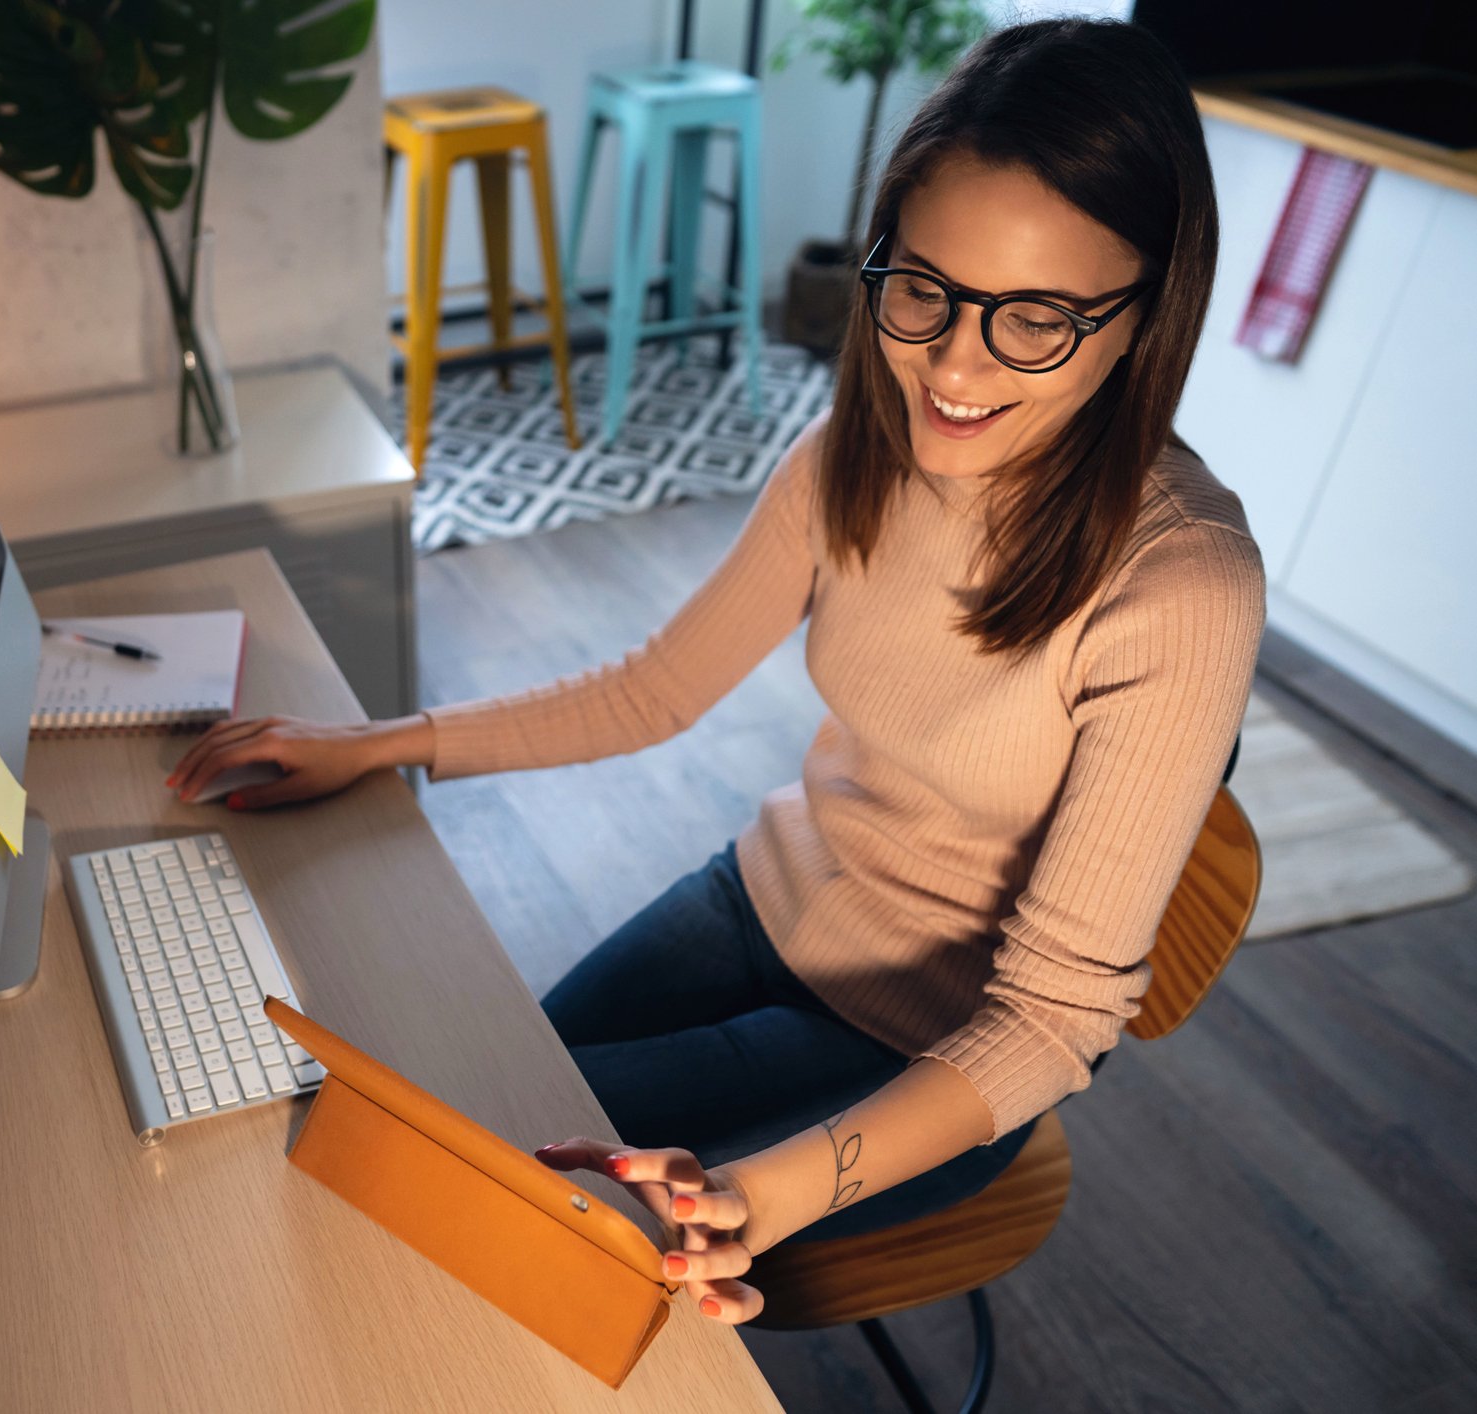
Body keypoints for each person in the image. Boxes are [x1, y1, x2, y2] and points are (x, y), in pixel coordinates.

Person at [168, 17, 1265, 1326]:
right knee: (452, 1115)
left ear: (1144, 314)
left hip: (923, 1054)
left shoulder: (1180, 584)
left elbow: (1048, 1019)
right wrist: (375, 743)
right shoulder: (853, 449)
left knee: (493, 1214)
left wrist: (773, 1191)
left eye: (1034, 319)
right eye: (921, 288)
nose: (954, 365)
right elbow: (650, 689)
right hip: (755, 904)